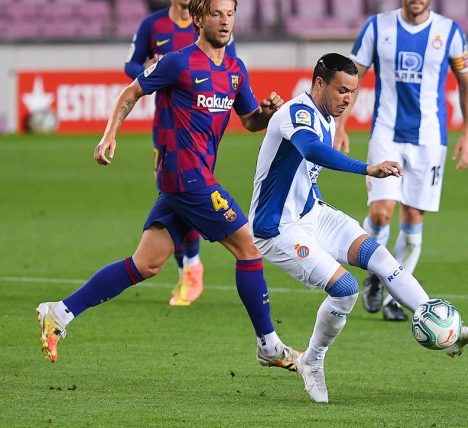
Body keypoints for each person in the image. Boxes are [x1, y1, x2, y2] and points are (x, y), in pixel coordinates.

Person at [35, 0, 297, 372]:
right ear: (199, 18)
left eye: (230, 14)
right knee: (248, 247)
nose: (225, 22)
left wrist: (267, 113)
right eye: (217, 14)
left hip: (190, 178)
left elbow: (250, 121)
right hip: (187, 177)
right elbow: (131, 93)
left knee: (146, 264)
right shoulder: (178, 62)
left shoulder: (236, 71)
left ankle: (58, 313)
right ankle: (269, 345)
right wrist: (110, 134)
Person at [249, 53, 468, 403]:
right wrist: (367, 168)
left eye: (353, 92)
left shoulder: (326, 116)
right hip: (277, 228)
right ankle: (312, 362)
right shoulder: (297, 114)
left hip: (313, 214)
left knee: (381, 257)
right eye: (341, 90)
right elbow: (311, 151)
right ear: (318, 84)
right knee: (345, 289)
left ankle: (445, 329)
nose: (348, 99)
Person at [335, 0, 468, 322]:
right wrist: (341, 124)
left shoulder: (449, 32)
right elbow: (352, 76)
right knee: (381, 213)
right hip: (386, 132)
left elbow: (467, 83)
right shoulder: (377, 27)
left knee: (413, 219)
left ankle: (393, 300)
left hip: (429, 140)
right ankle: (375, 271)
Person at [125, 0, 237, 306]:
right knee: (176, 195)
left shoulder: (213, 29)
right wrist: (152, 70)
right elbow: (130, 65)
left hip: (199, 130)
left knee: (185, 195)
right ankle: (188, 268)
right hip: (165, 126)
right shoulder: (153, 25)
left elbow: (229, 71)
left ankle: (190, 266)